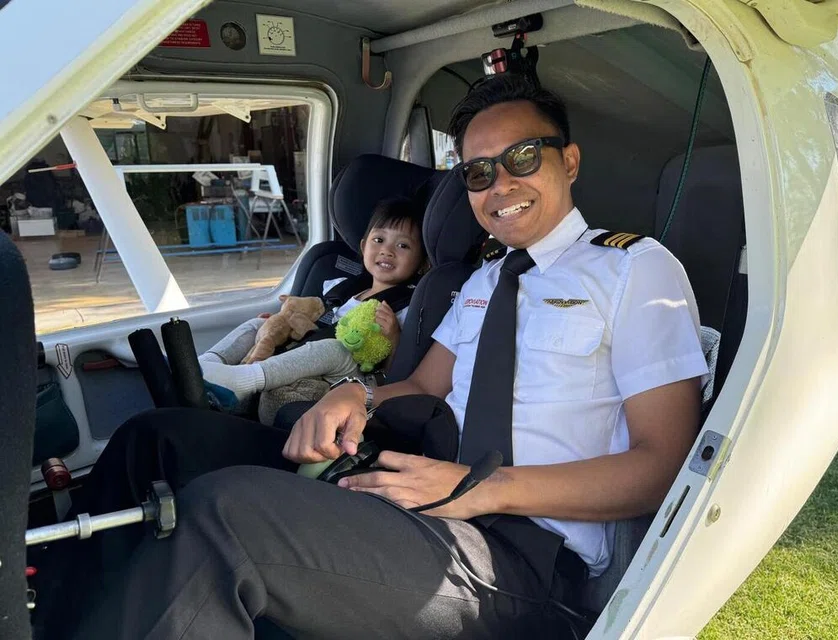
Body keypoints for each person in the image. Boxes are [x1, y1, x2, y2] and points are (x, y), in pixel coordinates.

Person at [70, 74, 709, 639]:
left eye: (522, 157)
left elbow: (662, 468)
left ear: (568, 161)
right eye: (478, 172)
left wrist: (482, 490)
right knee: (155, 439)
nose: (500, 184)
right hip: (416, 486)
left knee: (225, 517)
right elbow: (427, 385)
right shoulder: (483, 282)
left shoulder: (633, 270)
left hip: (523, 556)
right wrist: (358, 395)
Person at [197, 195, 427, 412]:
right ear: (364, 245)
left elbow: (397, 377)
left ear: (422, 263)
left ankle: (244, 379)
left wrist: (394, 338)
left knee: (336, 348)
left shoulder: (407, 307)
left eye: (403, 246)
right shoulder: (342, 288)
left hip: (355, 379)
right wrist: (284, 322)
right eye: (379, 240)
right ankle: (202, 366)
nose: (387, 251)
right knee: (258, 323)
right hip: (312, 358)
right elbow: (313, 324)